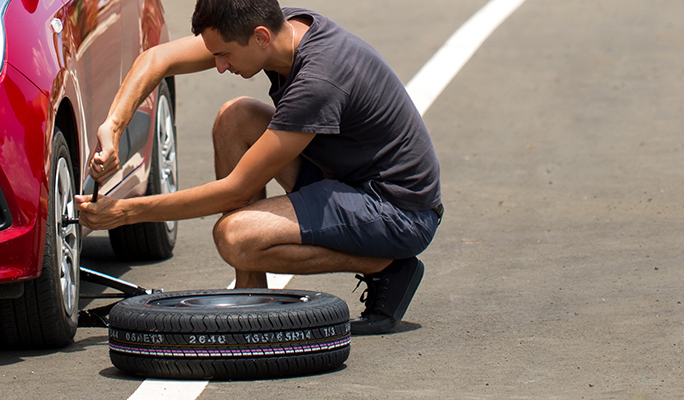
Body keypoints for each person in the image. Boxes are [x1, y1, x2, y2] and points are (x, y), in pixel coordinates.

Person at [74, 0, 441, 335]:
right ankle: (252, 292)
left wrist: (125, 213)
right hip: (345, 179)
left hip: (397, 211)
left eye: (224, 55)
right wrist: (113, 127)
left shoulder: (318, 80)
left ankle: (388, 265)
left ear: (261, 37)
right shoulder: (279, 27)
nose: (219, 66)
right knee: (236, 117)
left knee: (235, 238)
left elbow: (235, 191)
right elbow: (157, 59)